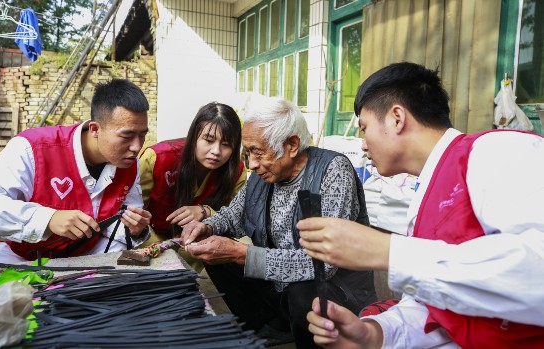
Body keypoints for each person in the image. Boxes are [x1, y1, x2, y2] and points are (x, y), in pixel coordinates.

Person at [298, 62, 544, 348]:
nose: (363, 145)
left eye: (364, 128)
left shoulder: (497, 152)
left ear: (397, 118)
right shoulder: (425, 195)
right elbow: (436, 307)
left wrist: (388, 251)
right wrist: (375, 334)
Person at [181, 97, 376, 349]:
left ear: (292, 145)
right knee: (216, 253)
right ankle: (272, 326)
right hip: (279, 288)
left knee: (303, 291)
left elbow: (324, 264)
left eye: (257, 152)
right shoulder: (263, 176)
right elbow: (233, 215)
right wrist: (207, 226)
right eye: (248, 153)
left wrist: (244, 254)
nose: (251, 164)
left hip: (336, 293)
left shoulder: (333, 171)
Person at [0, 78, 153, 264]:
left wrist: (134, 229)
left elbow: (118, 225)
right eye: (127, 136)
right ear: (95, 129)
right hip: (12, 253)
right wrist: (47, 219)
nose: (137, 147)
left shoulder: (129, 164)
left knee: (120, 261)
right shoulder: (33, 149)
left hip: (78, 254)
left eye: (142, 135)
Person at [138, 102, 246, 270]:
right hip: (148, 235)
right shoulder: (158, 158)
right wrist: (160, 247)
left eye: (226, 144)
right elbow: (135, 212)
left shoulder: (237, 172)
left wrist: (205, 211)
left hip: (195, 239)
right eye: (208, 140)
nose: (216, 151)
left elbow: (239, 219)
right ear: (194, 136)